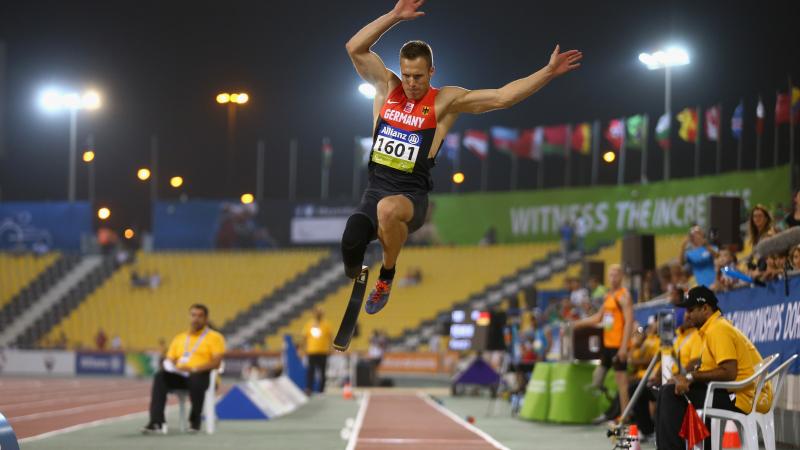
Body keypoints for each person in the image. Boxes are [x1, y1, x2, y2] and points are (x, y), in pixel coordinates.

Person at [340, 0, 582, 314]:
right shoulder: (386, 88)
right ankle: (358, 268)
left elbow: (502, 97)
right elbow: (354, 48)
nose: (412, 83)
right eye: (407, 75)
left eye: (419, 76)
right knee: (350, 240)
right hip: (374, 192)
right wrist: (395, 16)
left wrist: (547, 72)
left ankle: (386, 276)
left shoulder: (444, 102)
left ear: (431, 72)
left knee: (388, 210)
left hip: (410, 196)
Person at [656, 286, 772, 450]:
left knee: (670, 394)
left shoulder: (718, 329)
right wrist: (686, 378)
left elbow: (729, 372)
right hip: (734, 392)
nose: (687, 315)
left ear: (705, 308)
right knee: (666, 390)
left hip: (741, 397)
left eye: (691, 310)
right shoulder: (712, 328)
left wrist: (691, 377)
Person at [142, 304, 225, 434]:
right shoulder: (179, 338)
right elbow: (170, 359)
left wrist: (194, 368)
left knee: (196, 378)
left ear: (206, 318)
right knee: (160, 376)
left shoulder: (215, 337)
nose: (196, 319)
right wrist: (171, 366)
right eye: (193, 315)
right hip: (181, 375)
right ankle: (156, 422)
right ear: (189, 316)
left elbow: (216, 362)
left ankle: (195, 420)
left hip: (204, 376)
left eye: (200, 316)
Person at [573, 264, 634, 419]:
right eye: (611, 274)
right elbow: (599, 317)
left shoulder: (624, 296)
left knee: (622, 383)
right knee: (597, 379)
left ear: (621, 277)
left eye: (616, 274)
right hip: (607, 345)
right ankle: (611, 408)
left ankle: (625, 416)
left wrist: (623, 348)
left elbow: (629, 322)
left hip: (618, 345)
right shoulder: (609, 296)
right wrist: (579, 323)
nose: (613, 277)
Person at [300, 307, 333, 395]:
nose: (318, 314)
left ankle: (321, 390)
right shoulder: (309, 324)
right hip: (312, 351)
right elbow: (304, 337)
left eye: (319, 312)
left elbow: (330, 337)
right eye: (316, 313)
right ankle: (309, 389)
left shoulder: (326, 324)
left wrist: (330, 348)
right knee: (310, 371)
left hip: (323, 352)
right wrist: (303, 349)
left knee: (322, 372)